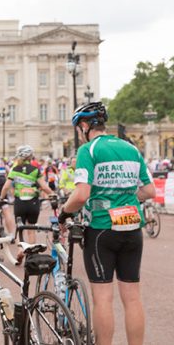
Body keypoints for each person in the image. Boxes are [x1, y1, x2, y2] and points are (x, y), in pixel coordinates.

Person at [59, 102, 155, 345]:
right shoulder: (130, 148)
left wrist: (64, 213)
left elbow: (81, 194)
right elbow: (150, 190)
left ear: (84, 126)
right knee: (132, 298)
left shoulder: (89, 150)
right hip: (133, 228)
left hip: (102, 229)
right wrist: (129, 198)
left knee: (103, 299)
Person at [0, 145, 55, 264]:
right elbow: (44, 187)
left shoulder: (15, 169)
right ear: (30, 157)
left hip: (20, 202)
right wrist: (53, 194)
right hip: (33, 202)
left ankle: (20, 249)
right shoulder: (35, 170)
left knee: (20, 228)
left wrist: (1, 198)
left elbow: (6, 187)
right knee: (31, 229)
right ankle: (32, 255)